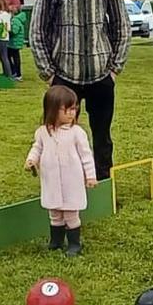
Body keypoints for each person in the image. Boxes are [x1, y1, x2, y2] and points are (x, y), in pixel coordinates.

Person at [30, 0, 131, 177]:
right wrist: (49, 75)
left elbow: (122, 26)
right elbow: (36, 31)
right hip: (64, 77)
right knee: (59, 138)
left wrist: (115, 68)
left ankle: (103, 188)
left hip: (101, 76)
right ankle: (64, 186)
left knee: (102, 139)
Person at [24, 83, 98, 256]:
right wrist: (31, 160)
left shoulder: (77, 133)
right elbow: (37, 148)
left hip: (71, 181)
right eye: (68, 109)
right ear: (53, 110)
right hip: (51, 180)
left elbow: (86, 156)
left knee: (71, 213)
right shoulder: (42, 132)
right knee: (55, 213)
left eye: (74, 109)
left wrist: (91, 176)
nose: (72, 113)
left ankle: (74, 243)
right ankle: (56, 242)